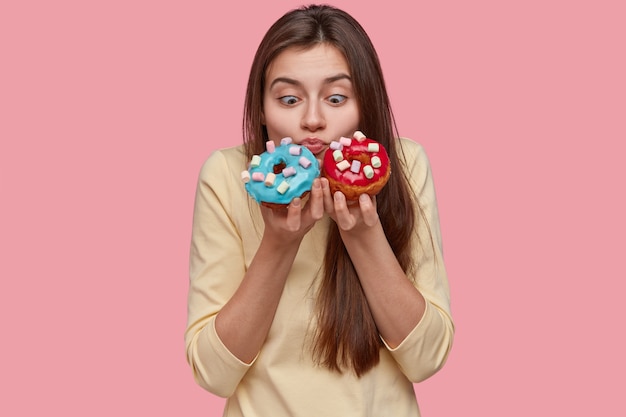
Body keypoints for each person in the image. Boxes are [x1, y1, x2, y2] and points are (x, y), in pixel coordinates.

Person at [185, 4, 454, 416]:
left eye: (336, 97)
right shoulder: (225, 176)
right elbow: (213, 374)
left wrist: (365, 236)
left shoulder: (402, 166)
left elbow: (427, 359)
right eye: (289, 99)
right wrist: (278, 244)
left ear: (365, 103)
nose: (313, 120)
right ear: (261, 108)